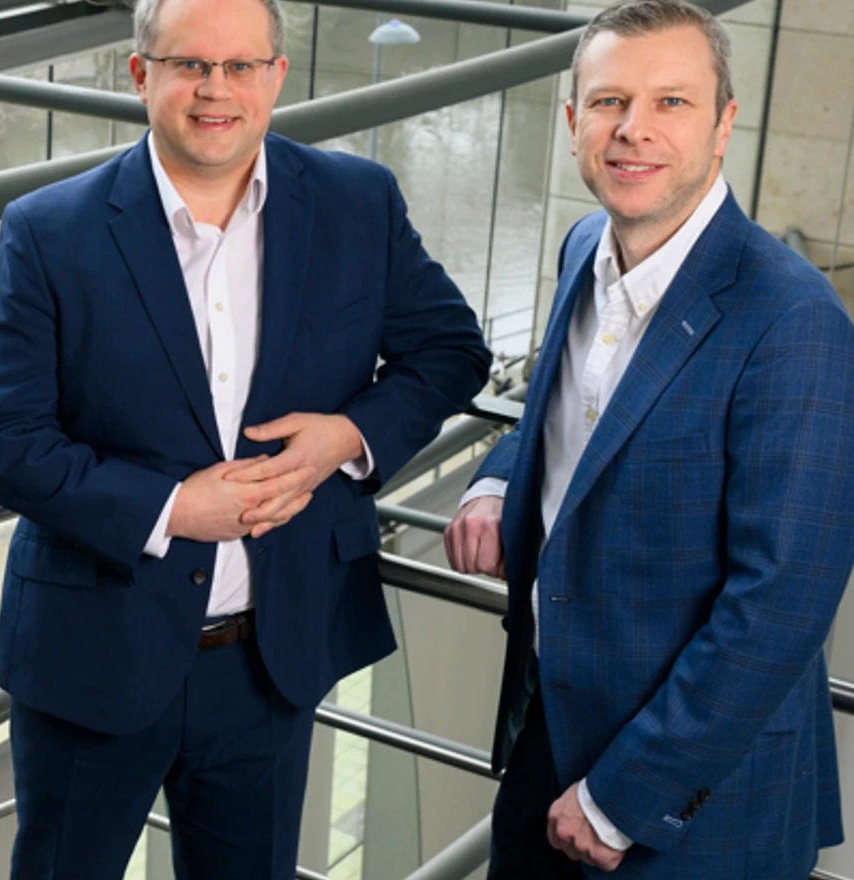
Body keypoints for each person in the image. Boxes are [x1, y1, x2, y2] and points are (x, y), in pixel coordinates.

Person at [0, 0, 491, 874]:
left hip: (268, 662)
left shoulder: (359, 203)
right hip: (94, 659)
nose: (217, 90)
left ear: (277, 77)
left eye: (241, 66)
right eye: (190, 66)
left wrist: (346, 437)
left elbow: (450, 349)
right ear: (142, 76)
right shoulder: (49, 230)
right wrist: (170, 507)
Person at [443, 1, 854, 877]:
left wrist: (624, 794)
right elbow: (576, 408)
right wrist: (498, 478)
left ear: (723, 125)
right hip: (547, 731)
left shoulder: (792, 320)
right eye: (608, 102)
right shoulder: (585, 242)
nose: (633, 131)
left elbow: (783, 600)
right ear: (572, 123)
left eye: (672, 102)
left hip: (691, 791)